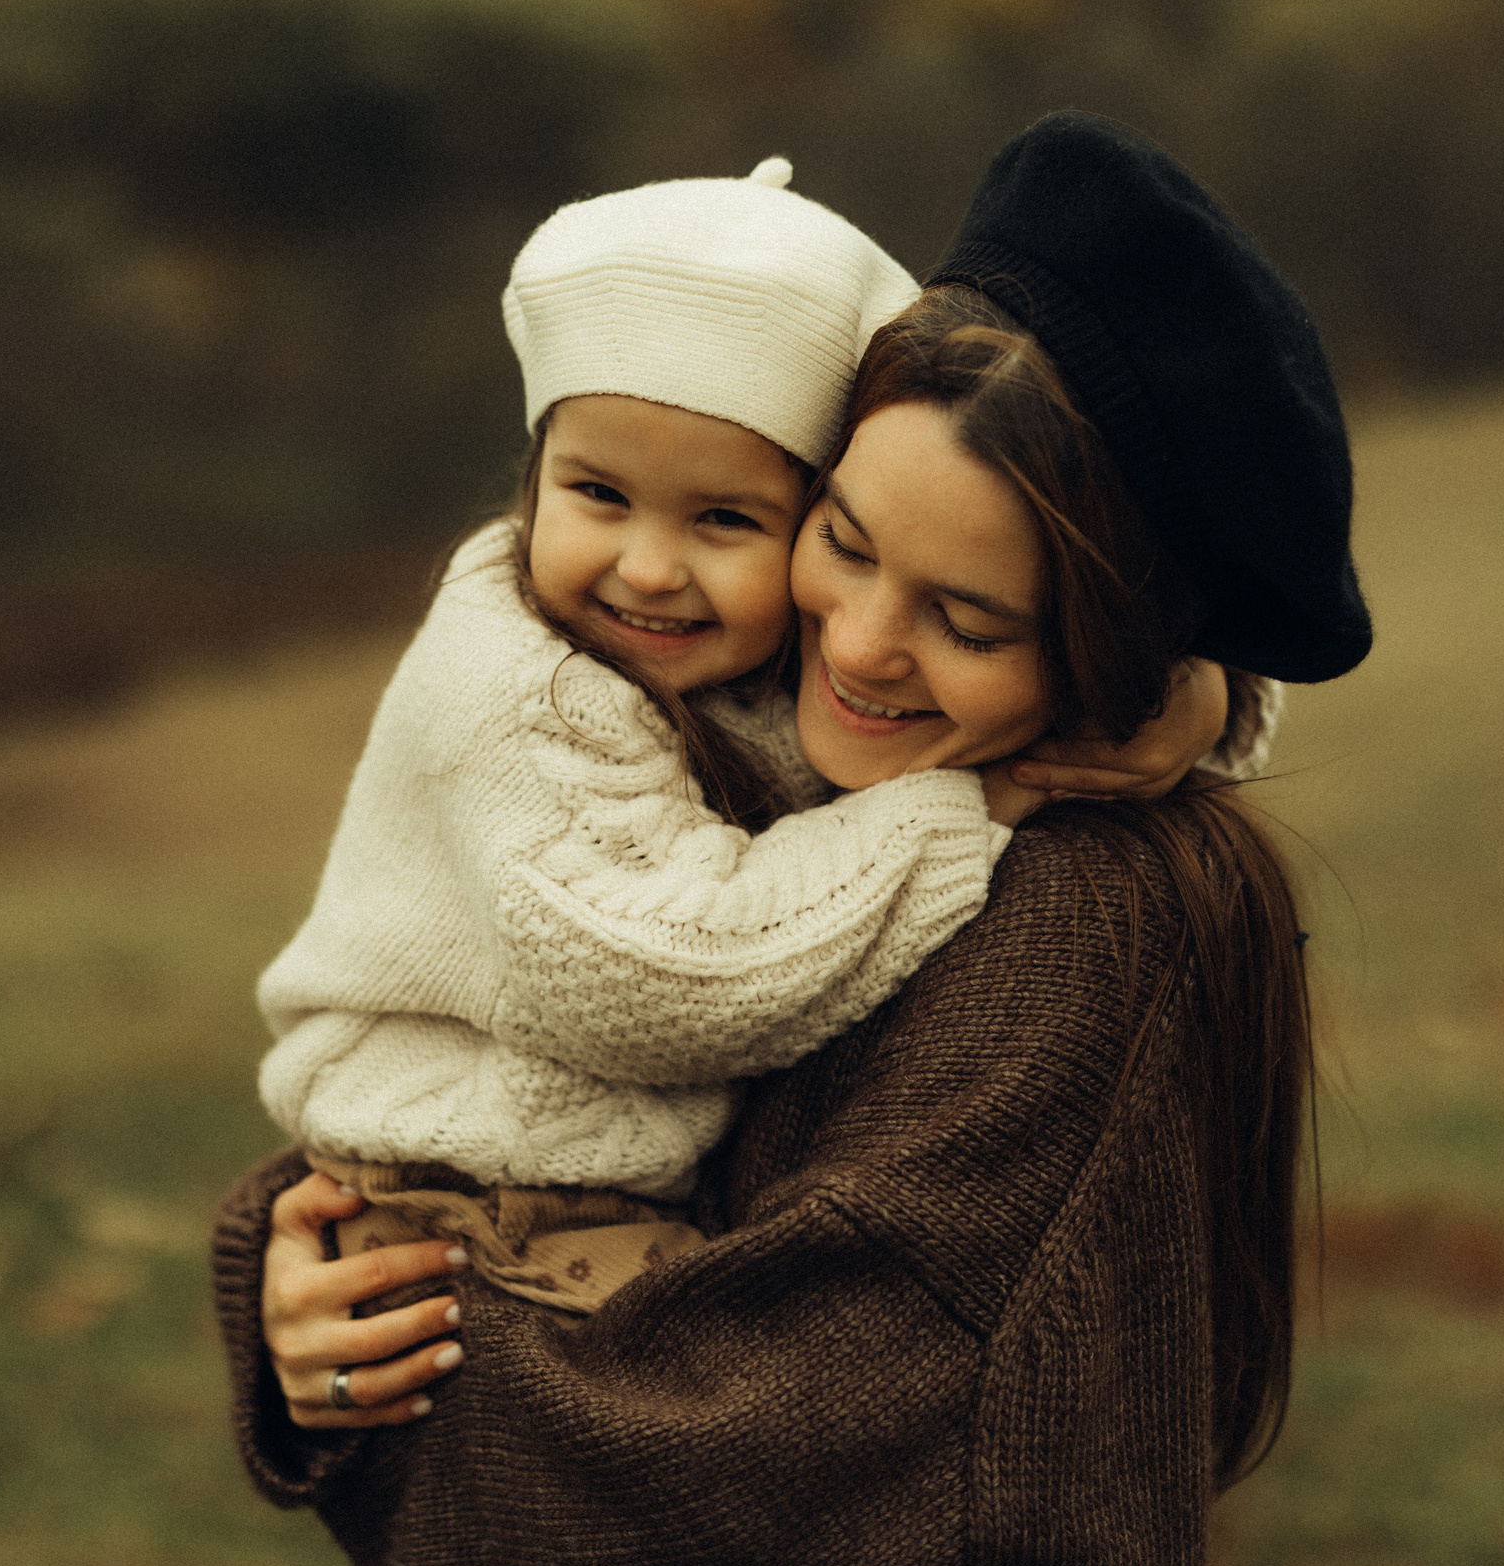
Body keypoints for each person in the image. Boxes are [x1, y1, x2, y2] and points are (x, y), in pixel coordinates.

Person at [213, 113, 1370, 1566]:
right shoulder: (773, 737)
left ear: (1100, 660)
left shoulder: (1075, 917)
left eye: (964, 615)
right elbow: (551, 1054)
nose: (860, 642)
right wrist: (305, 1266)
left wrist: (395, 1348)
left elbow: (704, 1467)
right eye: (843, 537)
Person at [257, 159, 1252, 1319]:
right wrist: (964, 811)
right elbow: (651, 975)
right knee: (712, 1382)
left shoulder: (750, 653)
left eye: (724, 520)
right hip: (466, 1194)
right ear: (531, 475)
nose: (647, 567)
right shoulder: (523, 686)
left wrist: (1192, 695)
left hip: (587, 1188)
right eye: (596, 496)